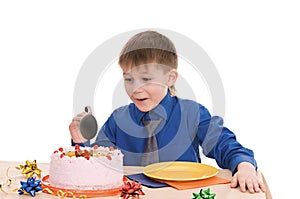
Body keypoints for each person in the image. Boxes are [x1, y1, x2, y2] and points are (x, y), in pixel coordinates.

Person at [69, 30, 266, 193]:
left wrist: (245, 167)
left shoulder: (192, 113)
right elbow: (97, 163)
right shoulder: (118, 119)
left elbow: (225, 144)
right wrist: (81, 140)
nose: (135, 88)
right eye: (128, 79)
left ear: (170, 78)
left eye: (145, 79)